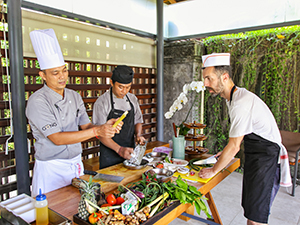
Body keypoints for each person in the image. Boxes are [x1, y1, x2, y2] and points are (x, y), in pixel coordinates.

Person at [26, 29, 123, 197]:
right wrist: (96, 131)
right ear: (42, 75)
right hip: (51, 168)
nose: (62, 76)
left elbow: (86, 125)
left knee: (76, 212)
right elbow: (56, 138)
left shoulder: (74, 96)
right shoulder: (37, 101)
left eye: (64, 70)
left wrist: (105, 126)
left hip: (75, 164)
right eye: (55, 73)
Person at [198, 53, 292, 225]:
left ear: (224, 77)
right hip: (256, 154)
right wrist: (226, 151)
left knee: (256, 218)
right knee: (251, 209)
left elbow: (234, 146)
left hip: (266, 158)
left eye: (209, 79)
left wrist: (213, 171)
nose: (205, 84)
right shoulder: (233, 98)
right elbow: (240, 137)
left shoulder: (240, 103)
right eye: (205, 79)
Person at [92, 65, 145, 169]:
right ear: (112, 83)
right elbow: (100, 133)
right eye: (120, 87)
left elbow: (138, 120)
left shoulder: (132, 99)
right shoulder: (102, 102)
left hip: (130, 153)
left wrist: (138, 135)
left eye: (128, 87)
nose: (124, 91)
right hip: (110, 155)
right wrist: (119, 150)